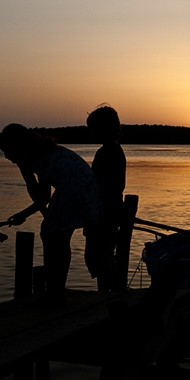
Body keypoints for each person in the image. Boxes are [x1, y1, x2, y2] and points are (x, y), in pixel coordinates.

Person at [0, 123, 102, 306]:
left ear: (16, 145)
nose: (7, 156)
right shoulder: (44, 150)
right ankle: (57, 291)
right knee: (59, 237)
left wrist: (39, 215)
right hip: (88, 186)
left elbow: (35, 191)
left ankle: (54, 293)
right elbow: (45, 197)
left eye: (7, 150)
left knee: (51, 235)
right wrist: (28, 214)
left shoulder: (25, 156)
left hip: (72, 186)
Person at [83, 104, 127, 291]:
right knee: (105, 257)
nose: (91, 133)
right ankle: (111, 295)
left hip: (104, 213)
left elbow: (100, 185)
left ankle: (107, 297)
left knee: (100, 258)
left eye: (93, 129)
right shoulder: (115, 150)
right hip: (111, 211)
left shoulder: (106, 152)